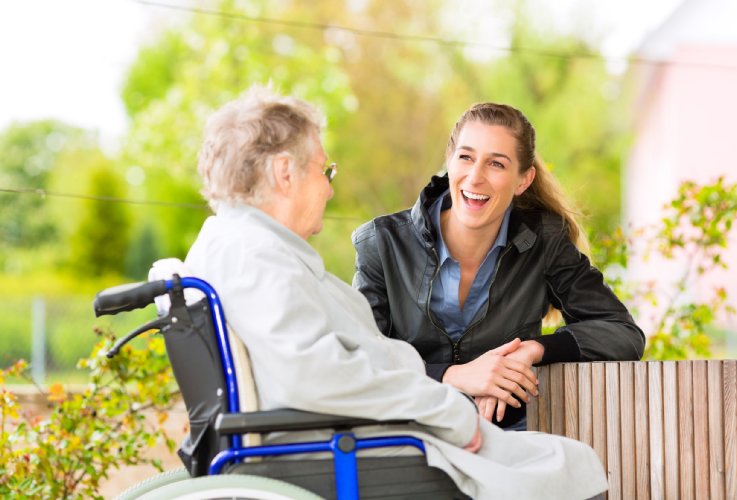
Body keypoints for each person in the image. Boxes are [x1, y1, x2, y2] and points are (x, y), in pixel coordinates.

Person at [183, 87, 607, 498]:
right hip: (353, 448)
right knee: (570, 465)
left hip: (367, 435)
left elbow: (333, 364)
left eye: (497, 164)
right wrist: (453, 413)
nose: (330, 188)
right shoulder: (254, 257)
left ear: (522, 178)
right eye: (324, 170)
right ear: (284, 172)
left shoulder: (245, 248)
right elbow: (317, 377)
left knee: (559, 460)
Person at [352, 102, 645, 430]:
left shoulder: (543, 241)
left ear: (523, 180)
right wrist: (455, 376)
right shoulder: (383, 243)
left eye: (496, 164)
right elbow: (360, 359)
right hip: (408, 437)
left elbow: (623, 333)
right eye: (466, 157)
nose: (475, 177)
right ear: (449, 161)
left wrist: (531, 351)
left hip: (508, 440)